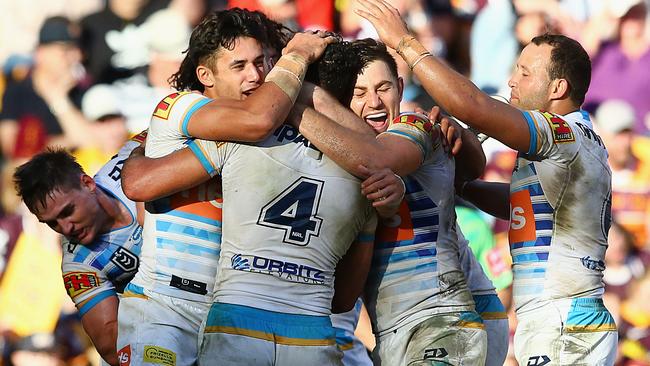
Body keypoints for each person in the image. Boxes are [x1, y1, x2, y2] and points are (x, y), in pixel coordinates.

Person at [355, 0, 618, 364]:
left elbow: (472, 104)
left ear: (557, 88)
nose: (512, 80)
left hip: (562, 322)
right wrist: (458, 187)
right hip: (566, 320)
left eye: (525, 72)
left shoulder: (561, 133)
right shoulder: (582, 139)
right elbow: (523, 206)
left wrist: (404, 42)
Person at [117, 8, 351, 366]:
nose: (255, 76)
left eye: (261, 63)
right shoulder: (180, 106)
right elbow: (138, 183)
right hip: (165, 307)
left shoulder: (267, 137)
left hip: (224, 313)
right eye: (238, 66)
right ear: (204, 75)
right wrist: (298, 56)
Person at [289, 38, 507, 366]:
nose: (374, 102)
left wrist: (296, 101)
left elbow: (381, 158)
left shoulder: (413, 127)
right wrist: (370, 221)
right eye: (359, 93)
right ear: (340, 99)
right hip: (397, 332)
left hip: (453, 319)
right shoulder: (341, 157)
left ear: (401, 87)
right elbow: (344, 297)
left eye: (383, 88)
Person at [12, 131, 146, 366]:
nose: (65, 228)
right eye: (52, 222)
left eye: (67, 211)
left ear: (87, 183)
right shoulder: (78, 265)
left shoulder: (130, 159)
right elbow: (111, 346)